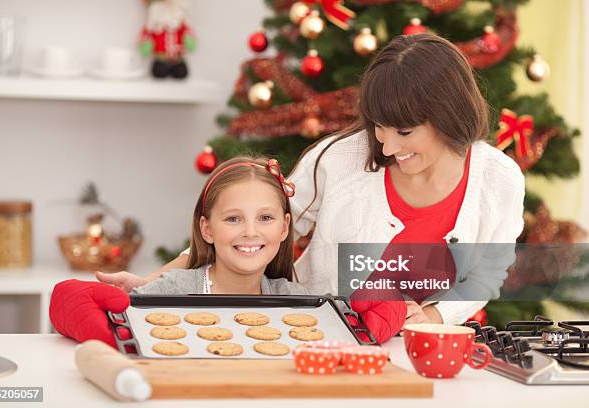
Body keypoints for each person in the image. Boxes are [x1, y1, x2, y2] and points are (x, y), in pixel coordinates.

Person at [99, 33, 525, 326]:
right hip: (314, 333)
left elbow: (486, 275)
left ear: (449, 116)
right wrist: (153, 282)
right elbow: (259, 228)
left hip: (414, 351)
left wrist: (431, 317)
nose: (388, 146)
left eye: (405, 132)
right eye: (378, 127)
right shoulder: (340, 159)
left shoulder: (499, 181)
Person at [50, 157, 407, 346]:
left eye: (265, 218)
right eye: (233, 218)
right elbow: (101, 314)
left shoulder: (298, 300)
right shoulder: (170, 291)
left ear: (285, 228)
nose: (250, 231)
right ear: (207, 229)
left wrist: (385, 306)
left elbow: (348, 325)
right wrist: (72, 304)